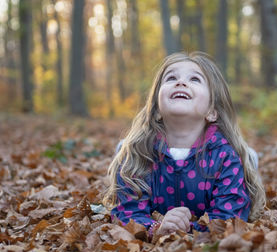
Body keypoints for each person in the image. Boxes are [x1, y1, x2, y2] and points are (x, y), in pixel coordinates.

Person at [103, 51, 265, 237]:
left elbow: (229, 218)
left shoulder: (225, 156)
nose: (180, 82)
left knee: (242, 164)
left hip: (206, 213)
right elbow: (127, 214)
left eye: (195, 79)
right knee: (126, 155)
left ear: (212, 111)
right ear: (156, 109)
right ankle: (120, 148)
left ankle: (249, 160)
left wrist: (187, 230)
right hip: (145, 169)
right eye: (171, 78)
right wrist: (157, 228)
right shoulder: (138, 153)